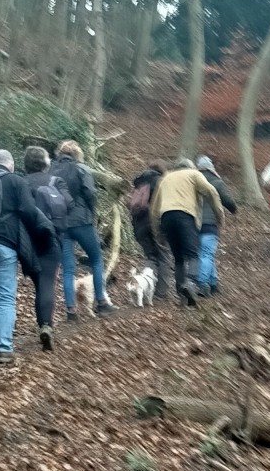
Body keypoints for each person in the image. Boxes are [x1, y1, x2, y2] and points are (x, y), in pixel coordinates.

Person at [0, 149, 54, 366]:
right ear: (10, 165)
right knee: (5, 297)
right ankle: (4, 348)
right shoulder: (15, 181)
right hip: (5, 244)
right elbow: (30, 212)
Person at [50, 139, 115, 317]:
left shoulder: (51, 170)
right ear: (77, 153)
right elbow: (90, 193)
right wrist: (92, 213)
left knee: (68, 269)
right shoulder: (81, 168)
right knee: (96, 259)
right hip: (82, 221)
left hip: (61, 223)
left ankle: (71, 310)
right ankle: (101, 301)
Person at [150, 159, 224, 306]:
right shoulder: (194, 174)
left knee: (178, 258)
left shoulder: (165, 178)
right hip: (185, 215)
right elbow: (211, 191)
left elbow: (154, 208)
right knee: (193, 253)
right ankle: (190, 283)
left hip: (166, 217)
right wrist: (219, 214)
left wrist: (156, 229)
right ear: (190, 167)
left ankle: (182, 297)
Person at [23, 145, 65, 349]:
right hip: (50, 239)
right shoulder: (55, 181)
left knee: (38, 283)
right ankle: (46, 325)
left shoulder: (20, 183)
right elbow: (69, 204)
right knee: (46, 284)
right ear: (46, 163)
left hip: (27, 242)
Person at [194, 155, 237, 296]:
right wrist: (234, 209)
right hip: (210, 224)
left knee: (204, 253)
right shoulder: (217, 182)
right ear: (211, 167)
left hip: (194, 223)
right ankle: (202, 284)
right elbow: (227, 201)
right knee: (206, 253)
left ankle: (213, 283)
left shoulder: (193, 181)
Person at [129, 164, 166, 290]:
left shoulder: (138, 183)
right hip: (154, 223)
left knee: (150, 256)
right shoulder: (160, 182)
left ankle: (143, 286)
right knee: (163, 256)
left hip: (138, 225)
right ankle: (161, 291)